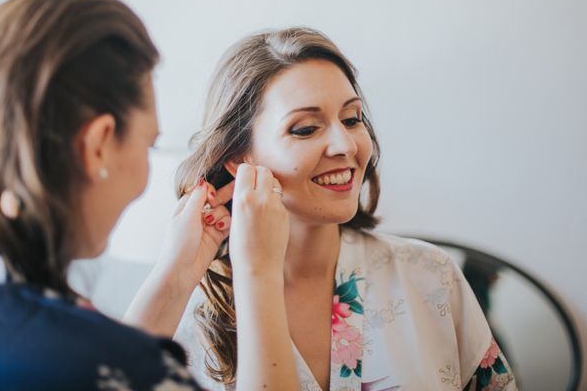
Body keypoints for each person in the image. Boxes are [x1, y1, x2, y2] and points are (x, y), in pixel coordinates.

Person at [0, 0, 298, 390]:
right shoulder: (106, 362)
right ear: (99, 145)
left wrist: (176, 276)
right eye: (148, 145)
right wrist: (258, 273)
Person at [172, 27, 518, 390]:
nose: (345, 145)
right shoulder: (191, 315)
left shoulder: (431, 275)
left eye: (352, 119)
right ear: (237, 159)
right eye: (305, 129)